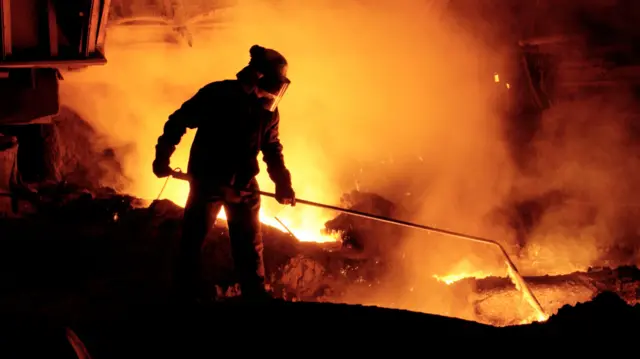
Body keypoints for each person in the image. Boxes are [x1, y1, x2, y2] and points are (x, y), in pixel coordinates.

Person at [152, 45, 296, 303]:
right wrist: (162, 157)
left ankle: (255, 298)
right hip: (208, 183)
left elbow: (272, 148)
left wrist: (283, 183)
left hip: (243, 186)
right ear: (256, 76)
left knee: (250, 249)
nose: (274, 93)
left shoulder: (268, 112)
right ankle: (184, 296)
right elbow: (179, 121)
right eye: (272, 84)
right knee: (192, 242)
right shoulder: (217, 95)